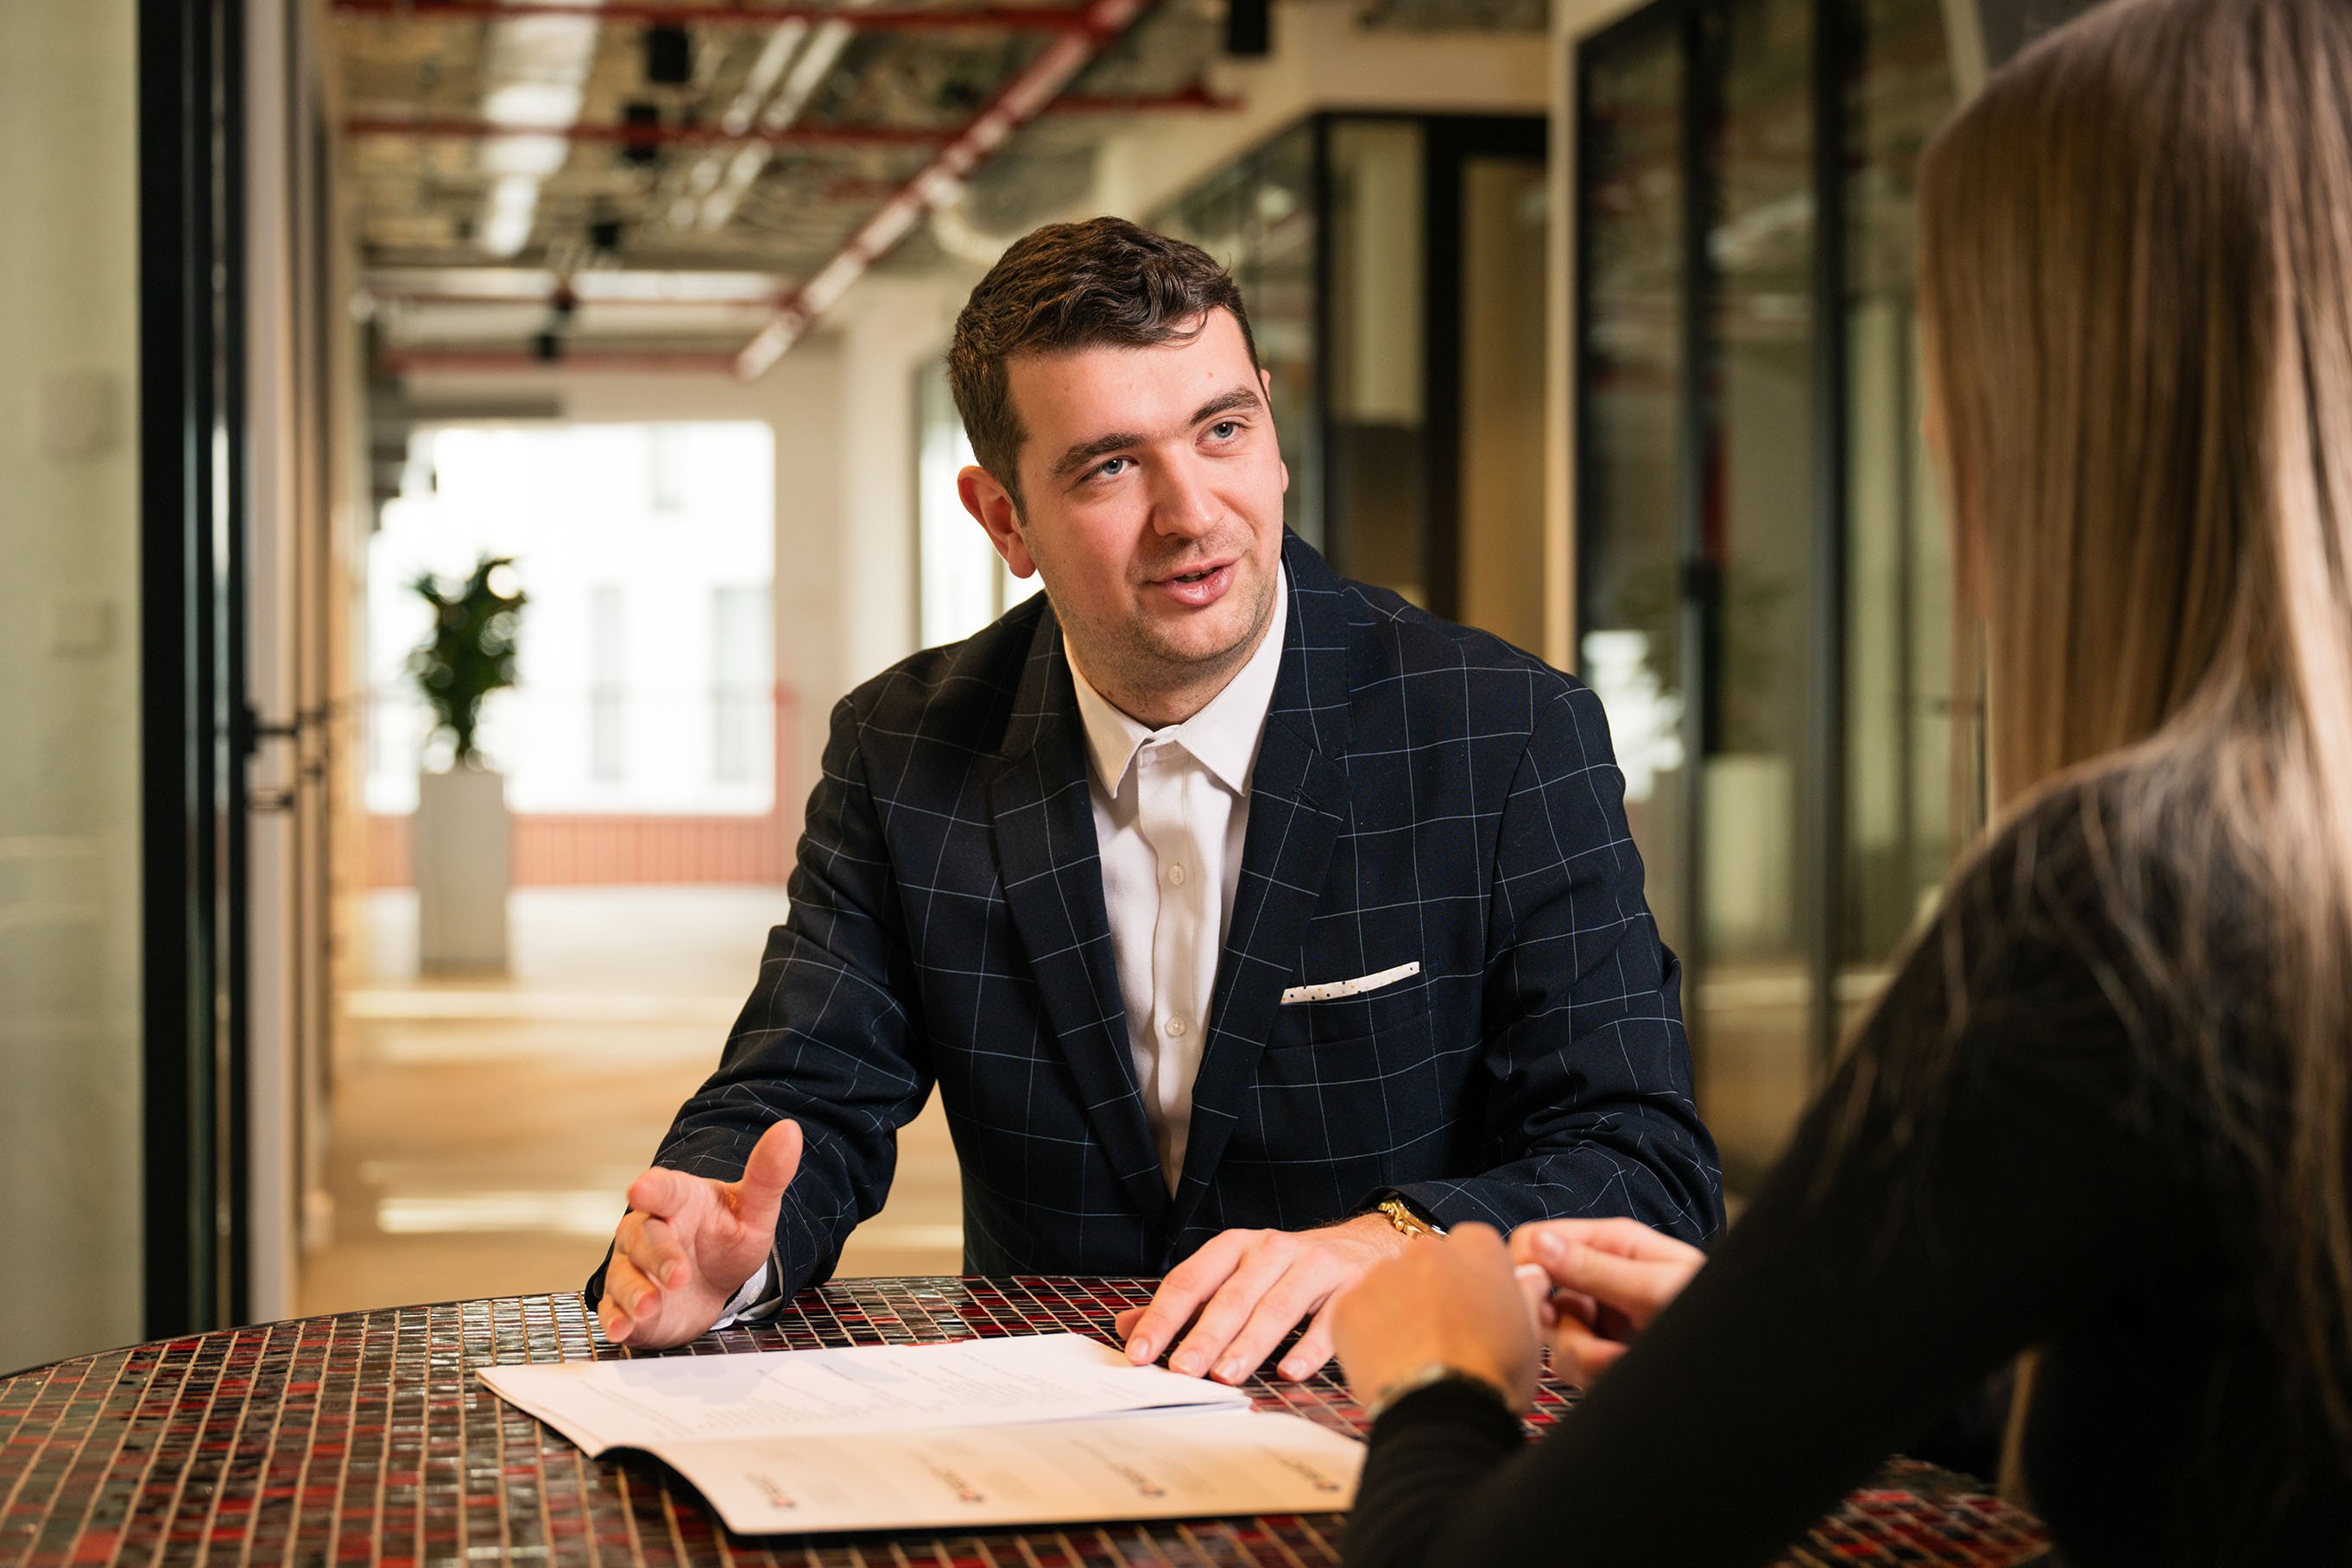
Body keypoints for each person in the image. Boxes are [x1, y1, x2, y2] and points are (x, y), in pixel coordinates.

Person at [1325, 0, 2352, 1560]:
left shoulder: (2132, 904)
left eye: (1959, 344)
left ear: (2066, 403)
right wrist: (1793, 1357)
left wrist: (1434, 1379)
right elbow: (2236, 1384)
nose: (1934, 422)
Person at [586, 218, 1723, 1384]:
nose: (1192, 513)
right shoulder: (903, 748)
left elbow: (1642, 1160)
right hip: (1049, 1432)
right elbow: (803, 1088)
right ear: (1004, 519)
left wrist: (1394, 1244)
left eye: (1223, 430)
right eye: (1112, 466)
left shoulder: (1505, 733)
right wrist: (717, 1245)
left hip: (1402, 1422)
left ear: (1271, 426)